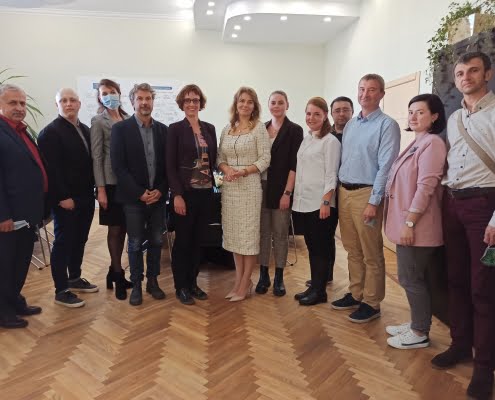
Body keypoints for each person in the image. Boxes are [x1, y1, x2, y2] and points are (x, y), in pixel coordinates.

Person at [431, 51, 495, 400]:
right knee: (454, 279)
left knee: (483, 288)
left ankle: (484, 367)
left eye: (473, 71)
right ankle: (460, 344)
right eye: (460, 73)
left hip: (485, 206)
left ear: (488, 74)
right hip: (452, 203)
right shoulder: (455, 117)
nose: (466, 77)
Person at [331, 74, 401, 323]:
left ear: (381, 94)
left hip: (366, 194)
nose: (365, 94)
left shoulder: (387, 125)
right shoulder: (351, 124)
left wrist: (374, 201)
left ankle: (372, 302)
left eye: (372, 90)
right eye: (362, 89)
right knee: (352, 249)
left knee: (371, 251)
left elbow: (385, 167)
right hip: (344, 192)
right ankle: (356, 293)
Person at [384, 94, 447, 349]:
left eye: (420, 112)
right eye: (411, 111)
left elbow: (426, 187)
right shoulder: (417, 142)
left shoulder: (432, 143)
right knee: (411, 277)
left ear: (434, 116)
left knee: (410, 278)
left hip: (417, 226)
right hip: (407, 223)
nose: (413, 116)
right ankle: (416, 322)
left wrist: (409, 223)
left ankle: (419, 332)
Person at [38, 88, 97, 308]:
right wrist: (63, 197)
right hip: (65, 199)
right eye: (63, 100)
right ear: (57, 105)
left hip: (85, 196)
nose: (69, 103)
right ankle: (61, 290)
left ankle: (74, 277)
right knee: (63, 242)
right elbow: (51, 170)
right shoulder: (50, 133)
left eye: (72, 100)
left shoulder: (85, 129)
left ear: (79, 104)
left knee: (80, 239)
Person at [111, 83, 168, 306]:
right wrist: (140, 193)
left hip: (158, 197)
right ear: (132, 102)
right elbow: (119, 167)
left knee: (156, 240)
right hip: (133, 199)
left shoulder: (163, 130)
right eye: (140, 99)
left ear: (153, 101)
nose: (144, 103)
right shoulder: (120, 130)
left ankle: (153, 281)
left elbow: (167, 166)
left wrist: (160, 189)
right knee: (134, 243)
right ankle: (136, 284)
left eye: (148, 99)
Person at [217, 86, 271, 302]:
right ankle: (240, 281)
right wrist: (227, 169)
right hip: (230, 188)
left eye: (249, 101)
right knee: (234, 236)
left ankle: (246, 280)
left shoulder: (259, 128)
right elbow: (219, 157)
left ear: (254, 106)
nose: (245, 105)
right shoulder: (227, 129)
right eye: (242, 101)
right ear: (236, 104)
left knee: (248, 237)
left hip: (249, 188)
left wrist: (244, 171)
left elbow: (265, 159)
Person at [0, 84, 46, 328]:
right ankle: (3, 311)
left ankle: (14, 300)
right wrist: (2, 215)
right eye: (13, 103)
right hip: (9, 216)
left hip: (27, 213)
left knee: (20, 261)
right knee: (5, 265)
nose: (19, 107)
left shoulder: (20, 131)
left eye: (22, 103)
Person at [167, 84, 217, 305]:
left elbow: (214, 161)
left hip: (206, 193)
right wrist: (177, 195)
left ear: (200, 103)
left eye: (195, 100)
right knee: (183, 242)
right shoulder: (175, 129)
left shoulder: (209, 129)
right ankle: (181, 286)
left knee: (199, 241)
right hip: (185, 195)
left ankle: (193, 283)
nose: (191, 104)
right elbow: (170, 166)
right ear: (182, 103)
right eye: (187, 100)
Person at [292, 97, 341, 306]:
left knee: (321, 248)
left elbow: (331, 175)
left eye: (316, 114)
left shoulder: (330, 141)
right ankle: (314, 286)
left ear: (325, 116)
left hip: (321, 204)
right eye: (308, 113)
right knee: (312, 246)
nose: (311, 118)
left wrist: (326, 202)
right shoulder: (307, 139)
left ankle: (320, 292)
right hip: (305, 202)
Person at [255, 90, 303, 297]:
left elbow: (294, 165)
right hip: (260, 187)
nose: (276, 106)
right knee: (263, 233)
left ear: (287, 105)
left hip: (282, 189)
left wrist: (287, 193)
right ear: (268, 105)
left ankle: (279, 278)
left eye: (280, 102)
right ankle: (263, 275)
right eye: (273, 102)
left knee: (280, 234)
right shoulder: (261, 128)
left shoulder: (295, 130)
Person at [90, 78, 132, 300]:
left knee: (124, 227)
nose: (109, 96)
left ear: (119, 93)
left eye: (112, 91)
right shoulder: (98, 121)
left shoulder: (128, 118)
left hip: (128, 183)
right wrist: (101, 189)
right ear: (99, 97)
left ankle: (112, 270)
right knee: (115, 230)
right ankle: (117, 275)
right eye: (104, 93)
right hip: (110, 183)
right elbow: (97, 157)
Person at [305, 96, 353, 288]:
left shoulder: (355, 134)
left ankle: (355, 287)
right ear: (330, 114)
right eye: (337, 110)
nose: (341, 114)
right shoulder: (325, 135)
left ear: (352, 111)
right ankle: (324, 276)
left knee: (351, 242)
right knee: (326, 236)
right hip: (330, 193)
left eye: (345, 110)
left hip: (350, 192)